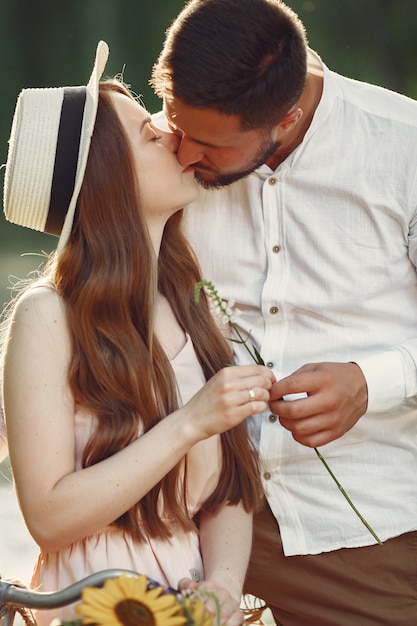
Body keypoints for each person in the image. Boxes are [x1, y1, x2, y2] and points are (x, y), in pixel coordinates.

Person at [150, 1, 417, 624]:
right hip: (178, 521)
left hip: (358, 533)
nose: (182, 153)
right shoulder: (158, 150)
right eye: (172, 121)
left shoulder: (404, 148)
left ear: (286, 118)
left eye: (210, 144)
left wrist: (370, 383)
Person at [0, 40, 276, 626]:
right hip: (92, 604)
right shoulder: (47, 317)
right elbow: (47, 515)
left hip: (188, 604)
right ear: (106, 179)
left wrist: (223, 586)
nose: (176, 139)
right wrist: (190, 421)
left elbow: (228, 489)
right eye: (152, 135)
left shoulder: (192, 302)